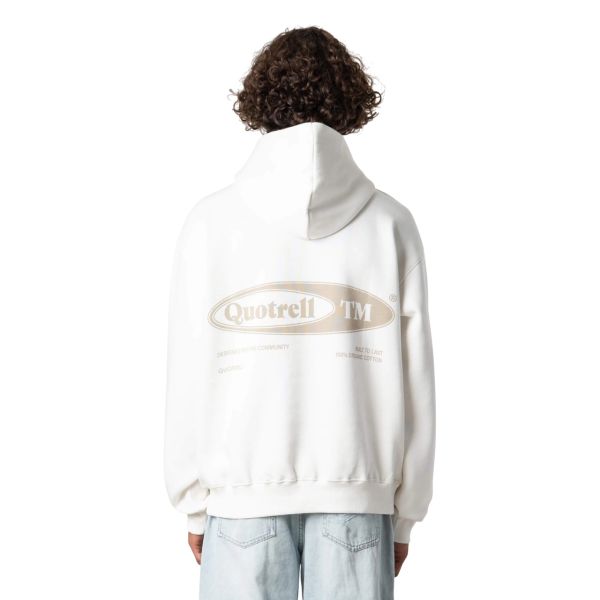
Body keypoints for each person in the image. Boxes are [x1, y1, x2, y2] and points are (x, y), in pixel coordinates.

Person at [163, 26, 436, 600]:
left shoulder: (210, 223)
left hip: (242, 500)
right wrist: (405, 511)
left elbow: (189, 370)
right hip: (357, 500)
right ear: (350, 100)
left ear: (261, 98)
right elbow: (417, 382)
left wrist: (194, 503)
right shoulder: (390, 223)